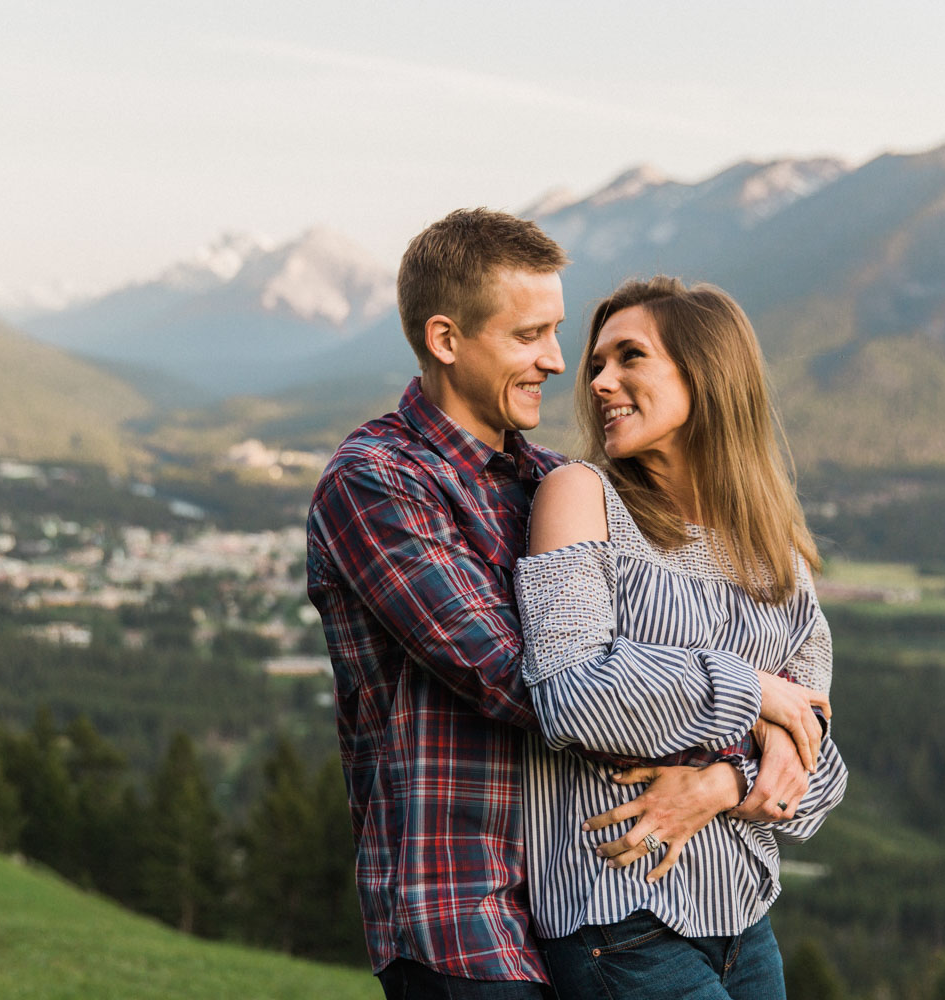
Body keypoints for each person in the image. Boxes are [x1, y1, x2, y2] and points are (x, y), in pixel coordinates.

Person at [513, 276, 848, 999]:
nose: (600, 382)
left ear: (707, 375)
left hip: (746, 924)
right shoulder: (581, 497)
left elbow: (819, 775)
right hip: (618, 917)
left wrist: (721, 783)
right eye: (597, 364)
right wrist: (755, 693)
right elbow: (573, 696)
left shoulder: (776, 554)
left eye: (629, 357)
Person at [306, 207, 569, 997]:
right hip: (462, 922)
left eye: (556, 332)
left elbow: (668, 629)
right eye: (529, 336)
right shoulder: (376, 480)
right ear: (446, 340)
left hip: (583, 914)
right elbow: (517, 677)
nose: (556, 361)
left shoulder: (555, 481)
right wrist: (741, 701)